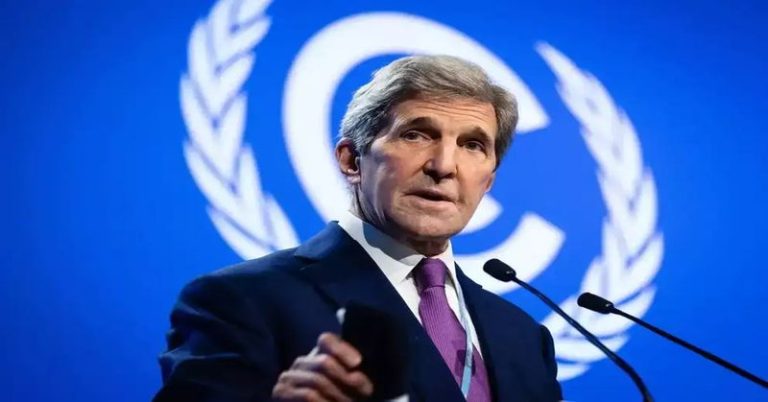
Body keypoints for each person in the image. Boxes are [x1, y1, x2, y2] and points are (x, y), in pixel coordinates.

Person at [155, 55, 563, 402]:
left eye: (472, 145)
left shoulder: (524, 338)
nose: (444, 166)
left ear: (488, 180)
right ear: (352, 161)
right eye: (416, 135)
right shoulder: (242, 300)